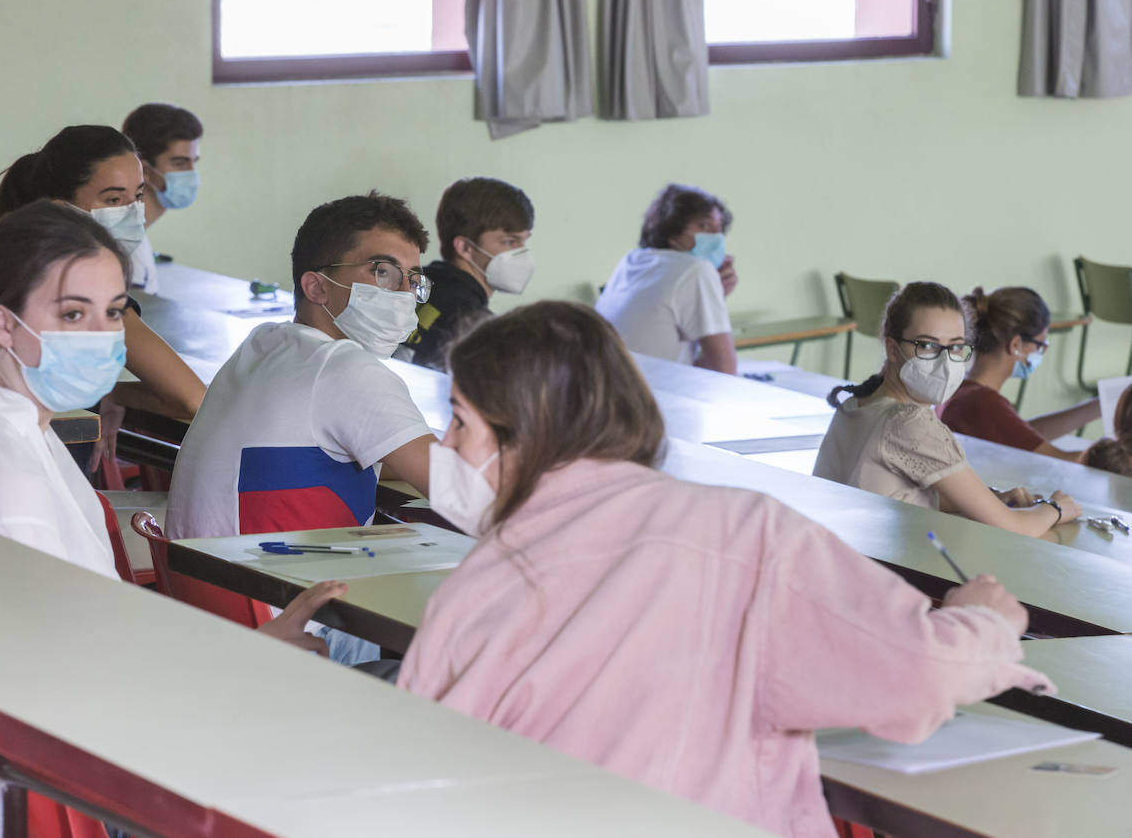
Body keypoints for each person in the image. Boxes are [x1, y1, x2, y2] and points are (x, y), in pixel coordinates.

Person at [397, 300, 1051, 838]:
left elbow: (412, 777)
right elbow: (925, 672)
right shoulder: (744, 532)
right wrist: (982, 623)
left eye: (460, 421)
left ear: (530, 428)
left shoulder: (474, 585)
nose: (448, 444)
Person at [0, 200, 339, 836]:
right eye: (72, 314)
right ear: (3, 324)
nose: (102, 336)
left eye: (113, 313)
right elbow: (83, 687)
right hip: (81, 778)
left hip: (81, 755)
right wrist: (248, 664)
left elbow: (91, 645)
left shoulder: (16, 429)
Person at [167, 191, 436, 540]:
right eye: (382, 271)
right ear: (317, 287)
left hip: (206, 585)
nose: (402, 293)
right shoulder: (345, 368)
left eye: (412, 280)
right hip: (280, 590)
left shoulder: (259, 347)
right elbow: (463, 491)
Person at [0, 125, 208, 470]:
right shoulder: (80, 298)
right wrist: (116, 393)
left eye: (138, 197)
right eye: (113, 200)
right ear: (62, 210)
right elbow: (194, 400)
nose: (133, 214)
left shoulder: (0, 265)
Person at [814, 281, 1081, 536]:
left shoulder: (858, 402)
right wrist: (1056, 508)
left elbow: (894, 494)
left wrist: (989, 500)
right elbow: (1013, 527)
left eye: (955, 347)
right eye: (928, 345)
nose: (945, 362)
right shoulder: (910, 422)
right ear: (892, 348)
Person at [936, 287, 1098, 460]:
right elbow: (1066, 463)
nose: (1040, 353)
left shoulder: (962, 390)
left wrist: (1101, 405)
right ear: (1016, 345)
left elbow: (1021, 434)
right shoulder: (985, 404)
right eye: (1040, 345)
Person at [594, 183, 737, 373]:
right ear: (673, 230)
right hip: (653, 396)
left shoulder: (632, 260)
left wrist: (716, 297)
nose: (716, 237)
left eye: (719, 229)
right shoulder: (696, 270)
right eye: (704, 226)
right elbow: (724, 369)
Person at [398, 177, 535, 370]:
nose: (522, 254)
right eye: (509, 242)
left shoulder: (413, 284)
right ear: (465, 248)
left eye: (524, 241)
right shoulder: (474, 327)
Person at [118, 102, 204, 293]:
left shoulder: (136, 234)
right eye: (180, 163)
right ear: (144, 169)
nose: (192, 174)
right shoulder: (128, 246)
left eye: (194, 162)